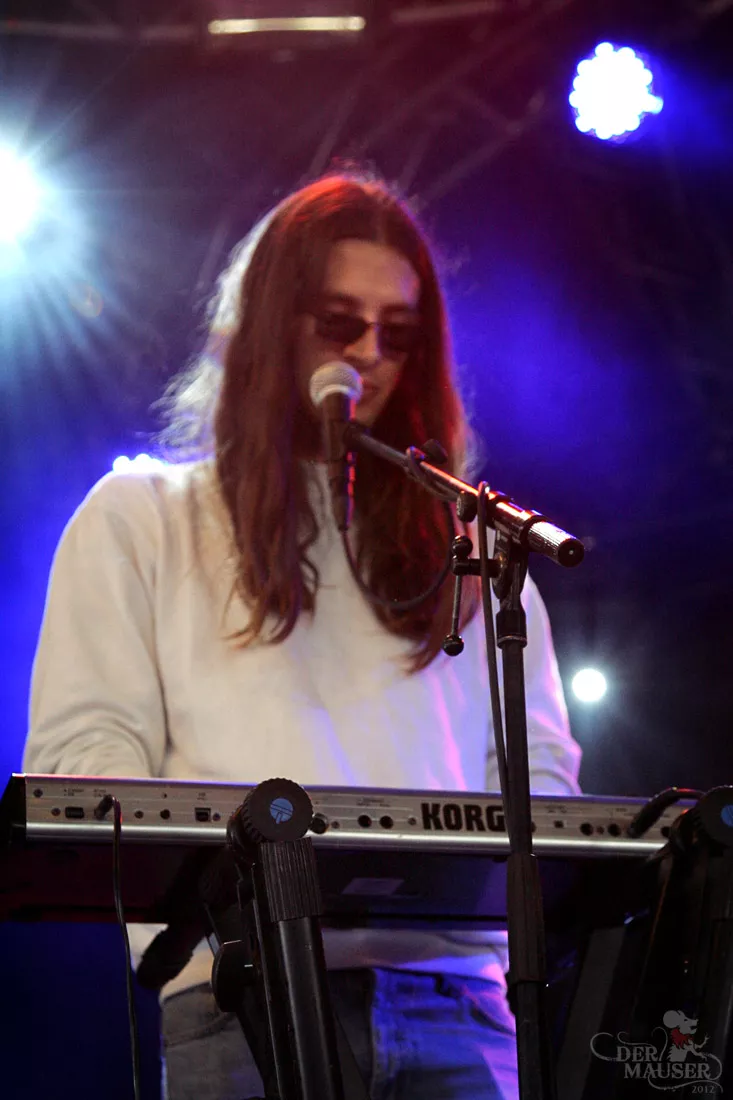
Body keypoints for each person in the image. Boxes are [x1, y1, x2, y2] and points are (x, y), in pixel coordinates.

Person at [24, 172, 582, 1100]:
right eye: (337, 323)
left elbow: (542, 777)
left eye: (397, 333)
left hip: (457, 1003)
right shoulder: (141, 515)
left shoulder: (474, 545)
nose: (368, 354)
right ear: (267, 323)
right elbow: (85, 760)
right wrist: (223, 904)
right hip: (243, 1002)